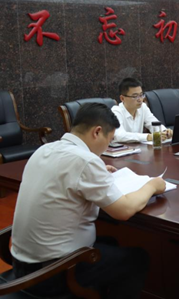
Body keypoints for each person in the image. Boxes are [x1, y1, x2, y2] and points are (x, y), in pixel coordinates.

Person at [11, 103, 166, 298]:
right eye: (109, 140)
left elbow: (66, 175)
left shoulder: (44, 150)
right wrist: (152, 186)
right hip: (52, 273)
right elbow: (124, 210)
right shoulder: (85, 161)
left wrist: (96, 172)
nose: (107, 146)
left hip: (22, 264)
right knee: (138, 259)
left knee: (110, 241)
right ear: (97, 132)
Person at [111, 78, 172, 143]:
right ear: (122, 98)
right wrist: (148, 137)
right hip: (122, 148)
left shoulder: (143, 107)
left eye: (141, 95)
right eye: (135, 96)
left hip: (138, 148)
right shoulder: (116, 111)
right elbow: (119, 135)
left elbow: (154, 123)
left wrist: (164, 132)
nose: (140, 99)